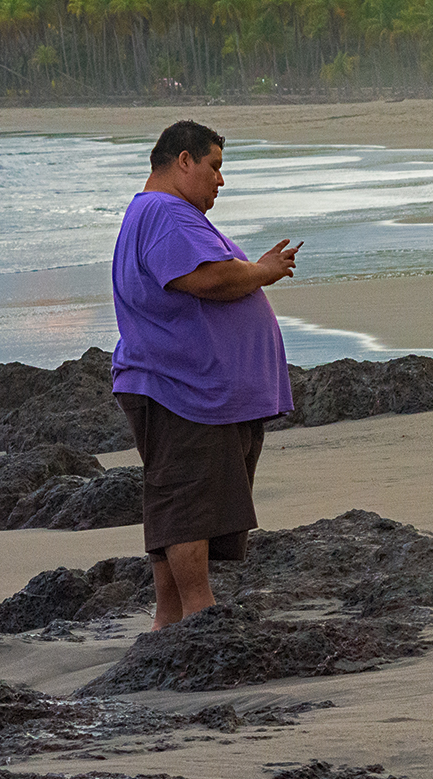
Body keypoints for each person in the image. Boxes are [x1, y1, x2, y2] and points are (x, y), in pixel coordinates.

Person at [110, 119, 301, 630]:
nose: (221, 181)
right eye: (214, 167)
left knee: (181, 499)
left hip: (187, 386)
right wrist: (262, 271)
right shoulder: (165, 212)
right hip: (183, 387)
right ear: (184, 160)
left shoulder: (157, 213)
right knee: (186, 504)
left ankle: (171, 619)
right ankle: (197, 612)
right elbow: (207, 277)